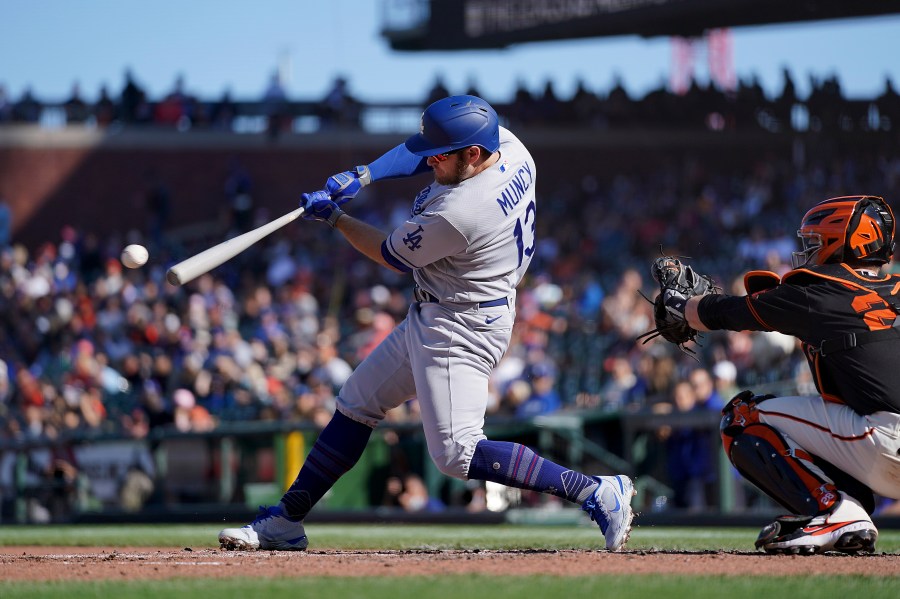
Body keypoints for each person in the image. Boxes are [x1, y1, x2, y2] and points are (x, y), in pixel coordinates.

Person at [218, 95, 635, 552]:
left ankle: (596, 491)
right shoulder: (510, 146)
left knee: (458, 452)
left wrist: (335, 217)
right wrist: (365, 174)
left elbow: (390, 253)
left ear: (472, 154)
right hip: (448, 306)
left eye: (442, 155)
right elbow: (423, 151)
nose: (430, 160)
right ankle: (286, 520)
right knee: (356, 402)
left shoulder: (462, 211)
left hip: (462, 323)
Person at [662, 195, 900, 554]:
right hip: (880, 437)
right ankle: (845, 508)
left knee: (741, 418)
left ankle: (836, 510)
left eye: (815, 242)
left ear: (843, 241)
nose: (809, 251)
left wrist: (679, 305)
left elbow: (730, 313)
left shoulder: (823, 289)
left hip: (884, 440)